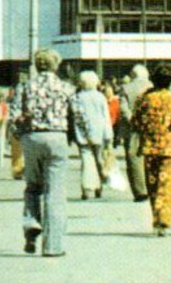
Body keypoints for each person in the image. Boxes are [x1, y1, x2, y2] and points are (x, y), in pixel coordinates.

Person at [10, 49, 74, 257]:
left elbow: (14, 116)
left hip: (32, 137)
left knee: (32, 187)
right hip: (57, 137)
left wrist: (19, 135)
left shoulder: (26, 87)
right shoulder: (65, 87)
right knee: (55, 192)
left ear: (37, 66)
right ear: (56, 65)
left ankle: (31, 223)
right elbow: (76, 115)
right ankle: (53, 246)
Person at [133, 63, 171, 235]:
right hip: (168, 146)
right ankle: (164, 219)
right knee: (166, 184)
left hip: (149, 146)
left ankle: (156, 219)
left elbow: (136, 121)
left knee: (152, 185)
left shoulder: (144, 98)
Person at [70, 70, 114, 200]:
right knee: (99, 160)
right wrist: (108, 135)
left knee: (86, 160)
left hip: (82, 133)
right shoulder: (100, 97)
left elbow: (74, 117)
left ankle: (86, 188)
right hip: (99, 133)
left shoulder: (76, 97)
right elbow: (105, 117)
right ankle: (99, 185)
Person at [120, 63, 152, 203]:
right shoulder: (152, 86)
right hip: (151, 127)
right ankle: (152, 186)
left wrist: (132, 119)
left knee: (133, 158)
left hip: (132, 128)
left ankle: (140, 191)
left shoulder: (126, 88)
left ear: (133, 75)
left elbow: (123, 108)